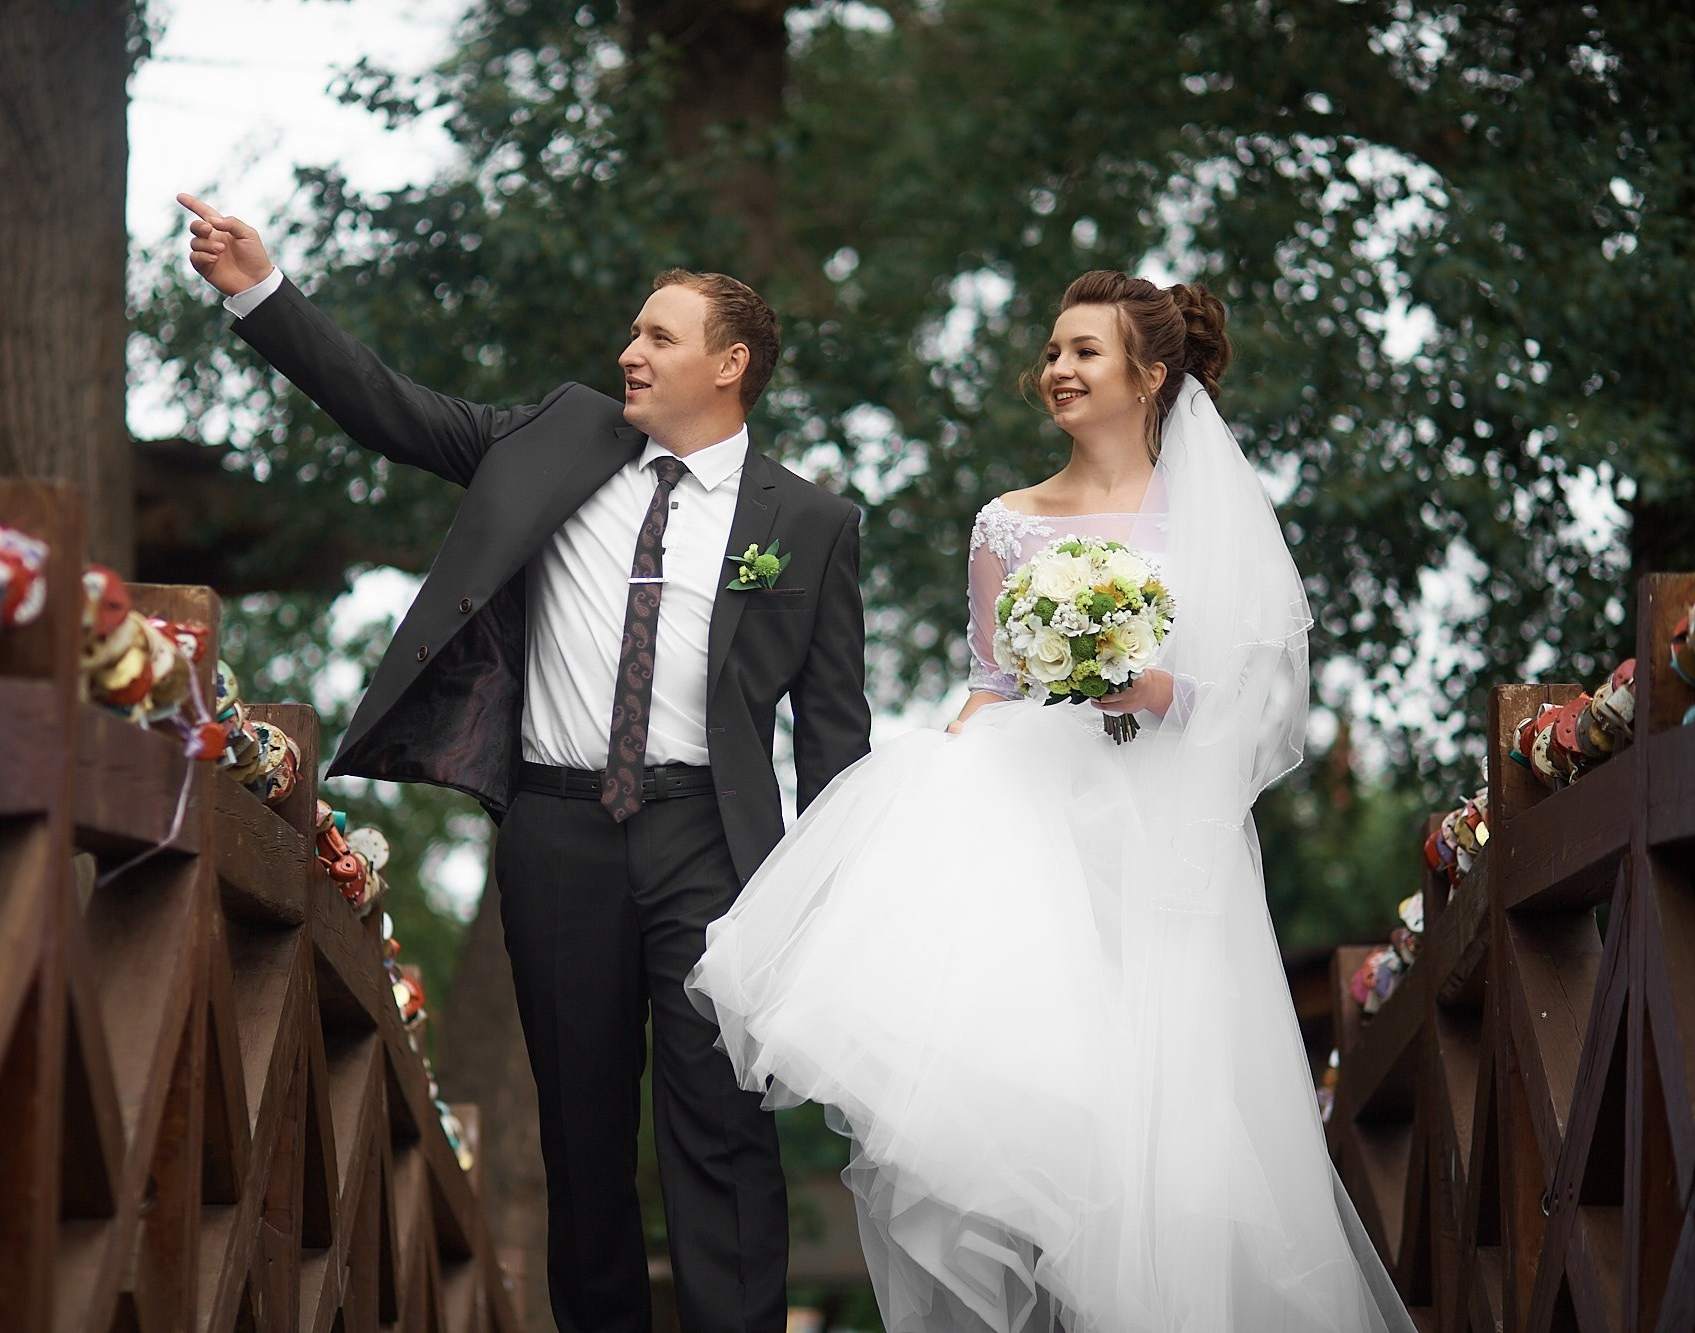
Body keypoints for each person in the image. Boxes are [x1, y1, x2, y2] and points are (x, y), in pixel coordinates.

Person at [177, 194, 871, 1333]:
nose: (628, 351)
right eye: (632, 332)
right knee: (581, 1139)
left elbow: (836, 737)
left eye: (657, 336)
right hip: (556, 834)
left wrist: (830, 908)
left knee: (721, 1126)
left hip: (713, 846)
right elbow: (392, 410)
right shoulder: (558, 433)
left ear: (730, 363)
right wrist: (261, 291)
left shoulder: (811, 523)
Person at [688, 272, 1417, 1333]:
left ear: (1148, 375)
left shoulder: (1213, 526)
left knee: (1165, 1133)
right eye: (1053, 352)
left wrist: (1153, 686)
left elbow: (1257, 711)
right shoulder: (1007, 521)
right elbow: (990, 684)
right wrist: (924, 801)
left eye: (1085, 351)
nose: (1059, 370)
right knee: (1024, 1119)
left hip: (1163, 844)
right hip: (1028, 834)